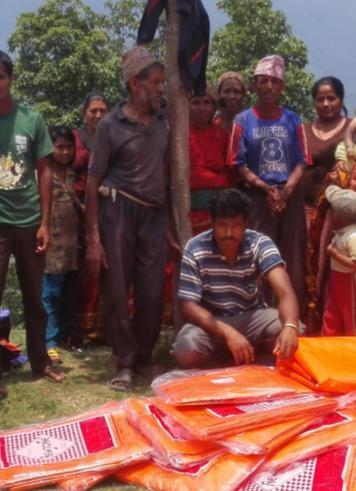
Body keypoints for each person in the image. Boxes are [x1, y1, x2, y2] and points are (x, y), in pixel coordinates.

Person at [86, 46, 169, 390]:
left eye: (163, 82)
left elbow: (171, 173)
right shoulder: (110, 125)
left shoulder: (165, 123)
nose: (162, 88)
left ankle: (146, 356)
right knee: (118, 288)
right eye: (156, 82)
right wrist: (93, 237)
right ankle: (123, 362)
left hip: (154, 214)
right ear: (136, 84)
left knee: (152, 290)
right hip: (118, 211)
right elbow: (93, 181)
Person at [173, 188, 301, 368]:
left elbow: (285, 292)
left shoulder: (260, 243)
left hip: (252, 319)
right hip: (213, 323)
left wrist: (290, 326)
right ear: (211, 223)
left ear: (246, 224)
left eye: (236, 225)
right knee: (186, 349)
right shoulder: (195, 248)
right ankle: (231, 362)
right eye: (222, 225)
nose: (229, 233)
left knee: (296, 331)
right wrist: (228, 333)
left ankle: (250, 361)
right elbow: (189, 306)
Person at [0, 51, 63, 396]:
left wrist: (44, 222)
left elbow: (45, 170)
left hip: (27, 221)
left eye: (0, 77)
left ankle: (40, 362)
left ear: (10, 79)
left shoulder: (31, 119)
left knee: (34, 297)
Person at [229, 55, 310, 311]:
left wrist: (285, 192)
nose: (269, 87)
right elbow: (237, 162)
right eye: (263, 81)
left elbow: (302, 160)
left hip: (290, 195)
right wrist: (265, 188)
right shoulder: (242, 121)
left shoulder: (293, 120)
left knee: (293, 258)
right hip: (257, 198)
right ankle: (258, 316)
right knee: (258, 256)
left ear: (282, 87)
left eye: (275, 82)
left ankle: (294, 319)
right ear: (254, 85)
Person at [71, 92, 109, 345]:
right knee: (82, 268)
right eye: (93, 110)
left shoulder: (113, 136)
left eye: (102, 110)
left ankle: (103, 330)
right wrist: (80, 207)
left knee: (107, 266)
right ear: (84, 113)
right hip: (76, 210)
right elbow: (65, 174)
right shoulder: (75, 138)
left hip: (108, 208)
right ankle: (77, 330)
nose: (97, 115)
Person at [42, 126, 79, 363]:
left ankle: (65, 336)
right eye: (60, 147)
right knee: (49, 294)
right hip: (50, 244)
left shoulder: (72, 175)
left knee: (68, 293)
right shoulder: (43, 174)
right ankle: (49, 341)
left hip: (72, 245)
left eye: (69, 147)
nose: (65, 152)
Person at [302, 77, 350, 226]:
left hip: (339, 213)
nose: (326, 104)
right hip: (304, 210)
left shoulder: (351, 130)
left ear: (341, 100)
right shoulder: (303, 131)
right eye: (320, 99)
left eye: (331, 98)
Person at [189, 85, 230, 234]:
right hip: (188, 215)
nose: (202, 108)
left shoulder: (222, 136)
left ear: (214, 106)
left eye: (207, 103)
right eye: (196, 102)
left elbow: (230, 174)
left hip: (219, 213)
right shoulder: (178, 136)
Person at [322, 184, 356, 335]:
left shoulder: (352, 236)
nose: (331, 215)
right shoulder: (341, 231)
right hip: (336, 277)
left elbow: (354, 264)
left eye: (333, 212)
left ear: (341, 217)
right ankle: (328, 340)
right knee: (332, 310)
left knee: (350, 313)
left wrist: (335, 254)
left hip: (348, 280)